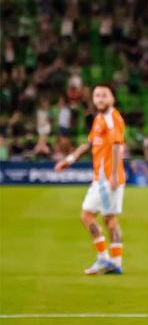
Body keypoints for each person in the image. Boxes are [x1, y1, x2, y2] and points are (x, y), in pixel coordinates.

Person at [54, 84, 126, 275]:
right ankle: (114, 263)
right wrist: (69, 159)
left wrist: (112, 176)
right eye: (97, 96)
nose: (100, 99)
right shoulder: (100, 118)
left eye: (104, 95)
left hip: (107, 178)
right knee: (104, 218)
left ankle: (106, 260)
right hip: (101, 177)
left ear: (112, 98)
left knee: (92, 217)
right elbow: (90, 143)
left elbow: (118, 145)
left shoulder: (112, 117)